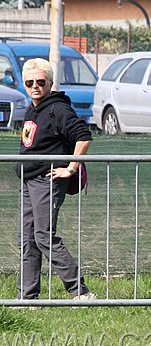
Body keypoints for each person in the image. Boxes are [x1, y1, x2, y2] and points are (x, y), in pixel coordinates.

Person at [15, 58, 96, 302]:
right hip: (28, 181)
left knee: (44, 236)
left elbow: (84, 136)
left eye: (41, 82)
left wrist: (71, 169)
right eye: (30, 82)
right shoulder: (33, 108)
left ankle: (80, 292)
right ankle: (27, 299)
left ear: (50, 83)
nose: (35, 86)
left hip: (47, 180)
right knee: (27, 240)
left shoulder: (57, 108)